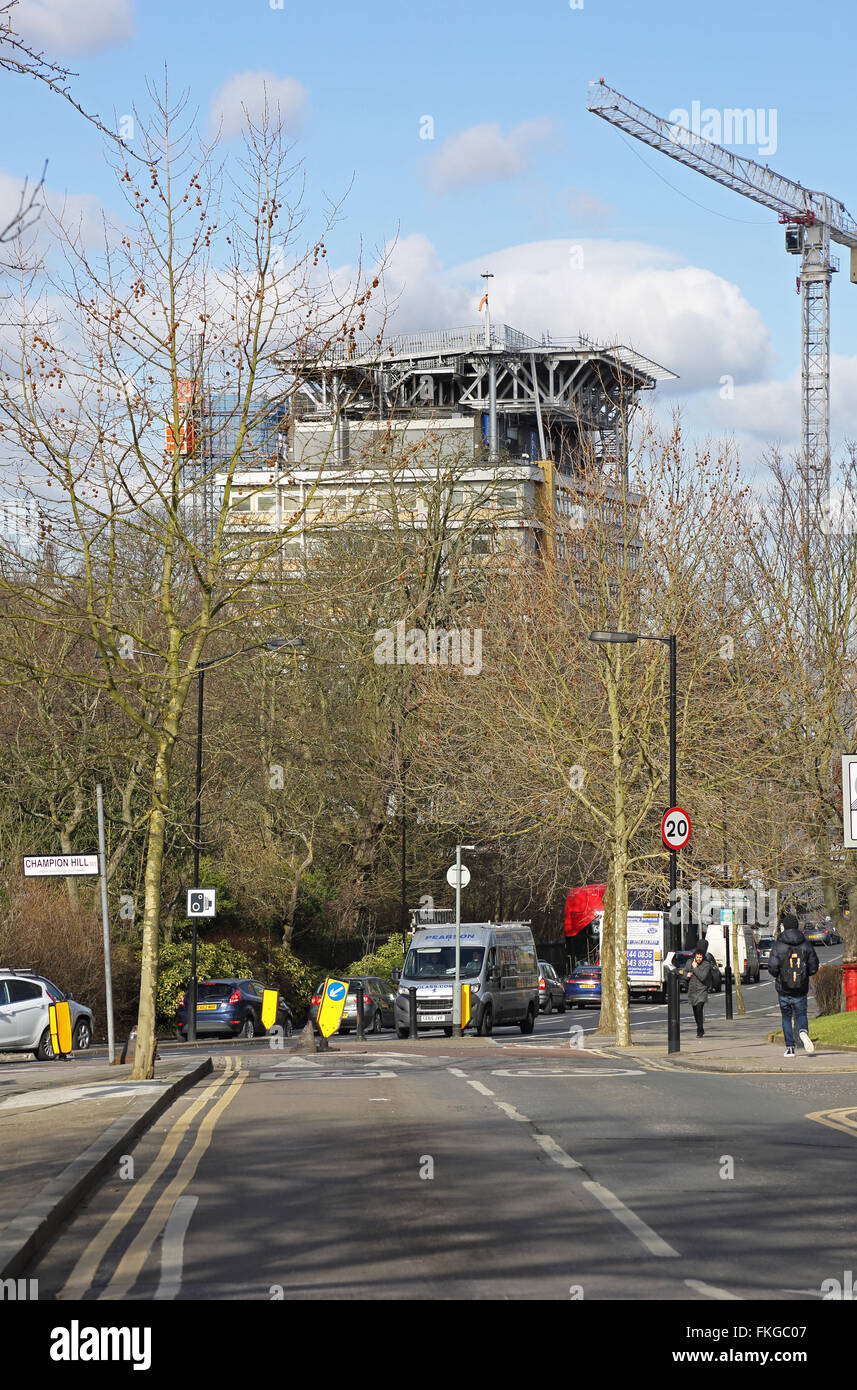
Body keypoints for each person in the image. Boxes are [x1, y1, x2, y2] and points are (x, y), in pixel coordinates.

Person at [767, 913, 819, 1057]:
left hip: (783, 988)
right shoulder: (806, 944)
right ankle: (803, 1031)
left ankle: (790, 1048)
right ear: (797, 926)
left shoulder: (778, 945)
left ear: (784, 927)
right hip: (800, 988)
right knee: (801, 1013)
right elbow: (814, 967)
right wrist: (804, 975)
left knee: (786, 1017)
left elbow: (772, 967)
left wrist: (780, 976)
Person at [684, 944, 712, 1037]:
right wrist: (686, 975)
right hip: (692, 990)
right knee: (695, 1011)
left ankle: (699, 1031)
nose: (699, 958)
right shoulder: (689, 962)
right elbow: (684, 972)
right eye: (697, 957)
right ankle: (700, 1027)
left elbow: (703, 977)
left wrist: (695, 968)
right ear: (695, 956)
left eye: (700, 957)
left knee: (699, 1009)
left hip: (702, 990)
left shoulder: (706, 965)